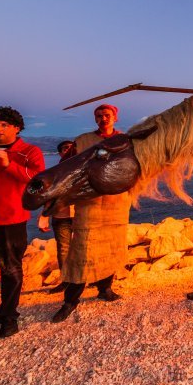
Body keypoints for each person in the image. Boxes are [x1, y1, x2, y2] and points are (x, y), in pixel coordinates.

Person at [51, 104, 130, 323]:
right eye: (99, 116)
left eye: (107, 115)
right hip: (89, 203)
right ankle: (70, 301)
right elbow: (66, 167)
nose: (103, 119)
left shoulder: (126, 139)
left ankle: (105, 289)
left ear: (115, 116)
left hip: (117, 203)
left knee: (112, 247)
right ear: (95, 119)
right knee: (82, 251)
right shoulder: (83, 141)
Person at [0, 106, 45, 338]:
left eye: (4, 125)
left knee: (10, 269)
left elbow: (38, 181)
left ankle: (8, 317)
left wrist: (10, 165)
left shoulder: (29, 151)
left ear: (16, 128)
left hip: (11, 218)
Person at [37, 140, 76, 294]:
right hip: (61, 215)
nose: (68, 150)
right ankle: (66, 281)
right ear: (60, 153)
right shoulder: (54, 173)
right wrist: (44, 216)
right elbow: (47, 196)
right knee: (64, 249)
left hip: (82, 215)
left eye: (71, 148)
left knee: (86, 247)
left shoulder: (84, 170)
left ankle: (89, 279)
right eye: (65, 148)